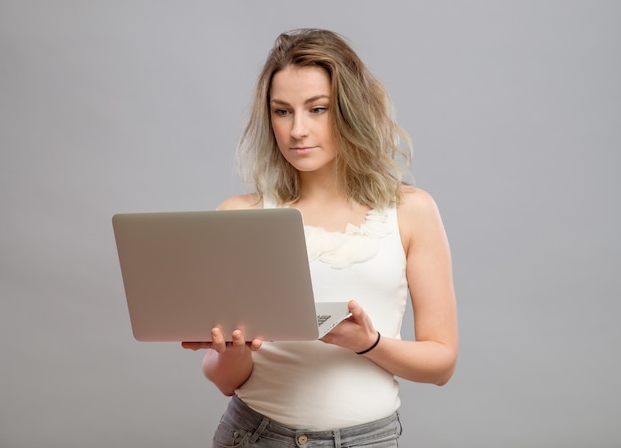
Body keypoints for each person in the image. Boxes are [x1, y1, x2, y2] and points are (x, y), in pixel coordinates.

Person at [182, 28, 458, 447]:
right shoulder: (240, 217)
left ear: (349, 110)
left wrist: (368, 343)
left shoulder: (411, 210)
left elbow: (441, 364)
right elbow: (224, 380)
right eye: (282, 111)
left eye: (317, 109)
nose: (297, 130)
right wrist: (231, 351)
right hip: (255, 435)